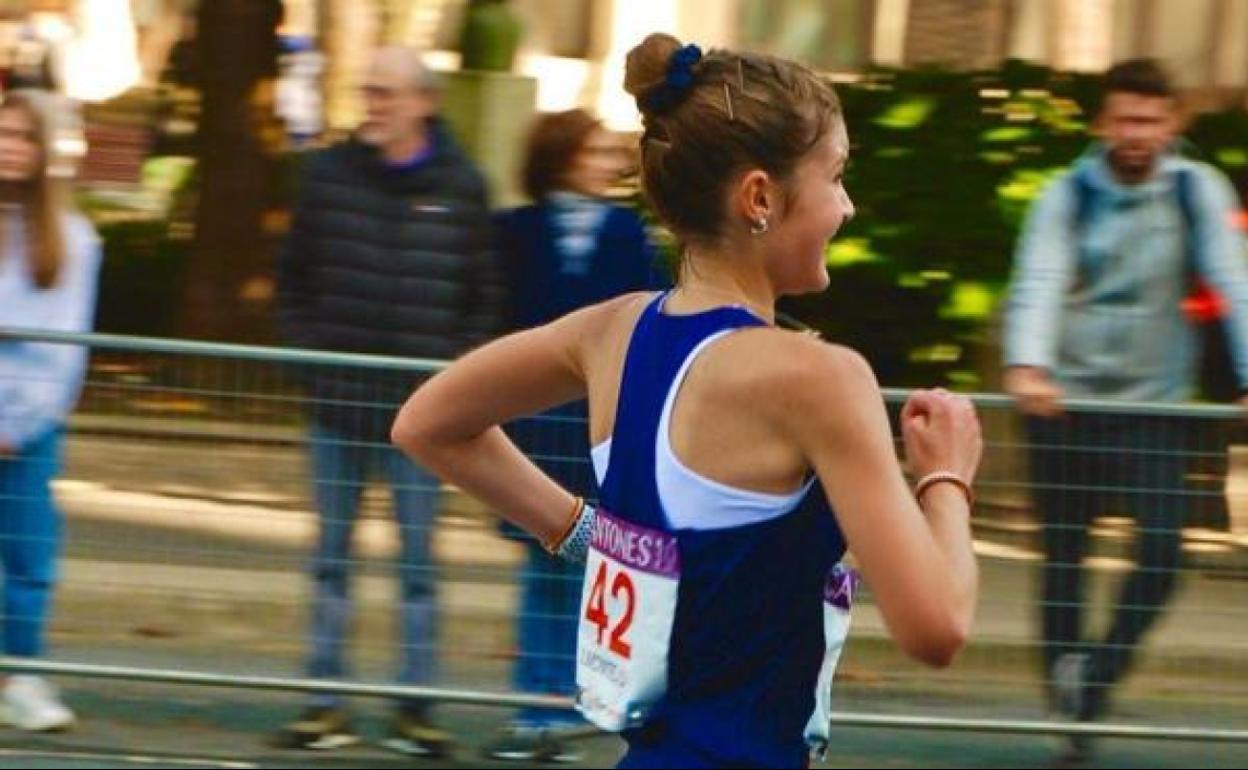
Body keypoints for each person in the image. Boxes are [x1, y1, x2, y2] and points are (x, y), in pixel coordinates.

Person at [393, 33, 981, 769]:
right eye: (836, 177)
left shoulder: (611, 332)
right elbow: (938, 627)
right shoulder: (818, 378)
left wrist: (588, 536)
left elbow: (428, 423)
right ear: (760, 196)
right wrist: (947, 479)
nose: (848, 207)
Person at [1002, 59, 1248, 761]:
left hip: (1152, 409)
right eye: (1124, 120)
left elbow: (1233, 275)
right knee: (1064, 563)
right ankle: (1070, 715)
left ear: (1173, 124)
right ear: (1102, 123)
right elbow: (1041, 277)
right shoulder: (1068, 194)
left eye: (1151, 120)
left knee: (1163, 558)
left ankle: (1093, 677)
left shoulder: (1197, 191)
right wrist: (1027, 364)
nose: (1136, 134)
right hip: (1066, 405)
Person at [272, 45, 502, 757]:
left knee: (417, 566)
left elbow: (484, 298)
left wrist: (453, 387)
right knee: (331, 560)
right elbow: (293, 282)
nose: (372, 102)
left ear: (424, 102)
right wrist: (314, 365)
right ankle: (323, 702)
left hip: (422, 421)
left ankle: (415, 708)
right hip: (339, 407)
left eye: (387, 93)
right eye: (367, 90)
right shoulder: (328, 176)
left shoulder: (463, 186)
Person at [484, 108, 666, 763]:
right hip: (534, 429)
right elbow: (496, 318)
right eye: (593, 150)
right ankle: (537, 708)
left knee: (592, 573)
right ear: (561, 155)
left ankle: (576, 705)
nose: (608, 162)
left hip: (600, 429)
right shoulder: (515, 231)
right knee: (544, 567)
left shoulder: (628, 233)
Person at [0, 91, 101, 732]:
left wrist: (13, 426)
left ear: (44, 153)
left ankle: (22, 674)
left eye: (23, 137)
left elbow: (63, 348)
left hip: (27, 430)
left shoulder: (72, 239)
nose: (10, 146)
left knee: (29, 557)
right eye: (3, 132)